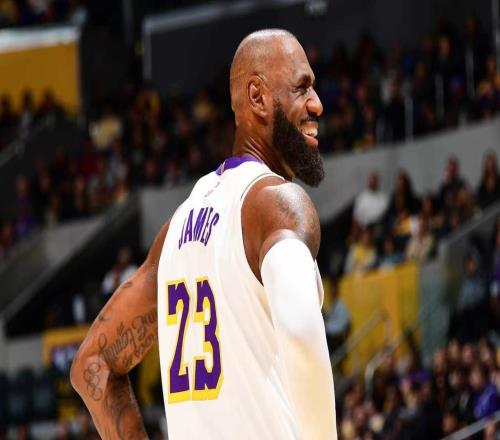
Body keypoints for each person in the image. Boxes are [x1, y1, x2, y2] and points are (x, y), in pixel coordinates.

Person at [70, 29, 337, 440]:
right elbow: (301, 330)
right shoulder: (277, 205)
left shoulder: (175, 231)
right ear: (258, 97)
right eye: (302, 88)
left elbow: (94, 365)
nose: (317, 103)